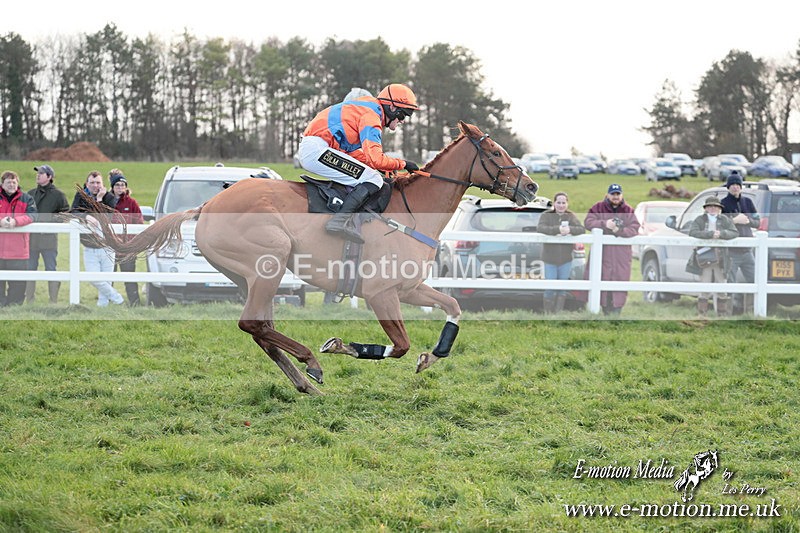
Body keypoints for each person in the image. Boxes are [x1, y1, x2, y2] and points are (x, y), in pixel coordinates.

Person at [297, 83, 420, 243]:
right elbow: (376, 158)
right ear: (391, 107)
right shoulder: (371, 116)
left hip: (318, 148)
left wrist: (379, 167)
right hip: (317, 150)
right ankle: (339, 221)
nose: (402, 121)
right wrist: (403, 164)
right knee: (373, 179)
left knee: (372, 175)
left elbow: (355, 155)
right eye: (403, 115)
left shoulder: (367, 109)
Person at [582, 183, 641, 315]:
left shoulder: (628, 210)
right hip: (602, 253)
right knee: (601, 278)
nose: (615, 197)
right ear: (607, 195)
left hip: (621, 256)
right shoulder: (598, 208)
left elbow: (634, 228)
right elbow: (588, 222)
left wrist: (618, 231)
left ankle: (616, 312)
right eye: (613, 194)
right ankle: (602, 310)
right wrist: (605, 224)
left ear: (621, 195)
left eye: (618, 194)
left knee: (620, 280)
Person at [70, 170, 123, 306]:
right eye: (92, 182)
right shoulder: (80, 196)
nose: (95, 185)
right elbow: (73, 212)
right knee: (93, 278)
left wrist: (99, 199)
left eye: (98, 182)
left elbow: (108, 217)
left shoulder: (109, 197)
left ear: (102, 184)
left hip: (107, 246)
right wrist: (86, 216)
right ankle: (117, 298)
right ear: (87, 184)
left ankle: (102, 306)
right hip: (89, 246)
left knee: (106, 279)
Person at [687, 196, 739, 316]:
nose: (713, 209)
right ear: (706, 208)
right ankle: (702, 315)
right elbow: (693, 232)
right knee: (704, 287)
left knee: (722, 286)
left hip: (721, 258)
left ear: (719, 208)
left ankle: (722, 315)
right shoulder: (700, 219)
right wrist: (710, 234)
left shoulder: (724, 219)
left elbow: (734, 232)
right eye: (710, 206)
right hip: (704, 257)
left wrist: (721, 234)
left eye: (715, 206)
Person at [26, 164, 69, 304]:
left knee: (51, 269)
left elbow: (65, 215)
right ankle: (29, 300)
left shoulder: (59, 195)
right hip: (31, 239)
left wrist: (48, 220)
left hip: (49, 240)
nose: (37, 175)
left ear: (49, 177)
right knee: (30, 269)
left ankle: (53, 301)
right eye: (37, 173)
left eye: (41, 173)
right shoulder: (30, 194)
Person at [537, 192, 584, 313]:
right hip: (549, 258)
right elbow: (541, 228)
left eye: (563, 203)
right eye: (559, 202)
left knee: (562, 288)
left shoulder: (571, 216)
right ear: (554, 203)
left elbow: (581, 229)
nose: (561, 205)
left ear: (567, 204)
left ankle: (557, 313)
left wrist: (570, 230)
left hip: (565, 258)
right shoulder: (546, 215)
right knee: (550, 287)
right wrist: (557, 230)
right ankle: (548, 313)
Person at [720, 171, 760, 315]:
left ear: (741, 186)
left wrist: (748, 221)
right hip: (731, 252)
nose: (735, 187)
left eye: (738, 184)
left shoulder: (748, 202)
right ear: (728, 187)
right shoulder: (723, 203)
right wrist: (734, 220)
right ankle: (728, 313)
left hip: (747, 250)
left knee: (754, 280)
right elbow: (719, 224)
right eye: (732, 184)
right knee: (730, 281)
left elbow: (757, 222)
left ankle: (750, 312)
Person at [0, 171, 37, 306]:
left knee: (18, 284)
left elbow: (32, 215)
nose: (11, 185)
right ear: (2, 184)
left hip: (19, 251)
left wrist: (16, 222)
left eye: (14, 182)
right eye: (8, 182)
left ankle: (14, 307)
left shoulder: (27, 199)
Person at [110, 173, 144, 306]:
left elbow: (139, 223)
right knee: (108, 277)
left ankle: (135, 303)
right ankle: (108, 302)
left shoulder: (131, 203)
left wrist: (132, 243)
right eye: (117, 185)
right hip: (110, 248)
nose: (120, 187)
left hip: (127, 248)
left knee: (129, 277)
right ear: (112, 187)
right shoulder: (108, 202)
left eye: (122, 185)